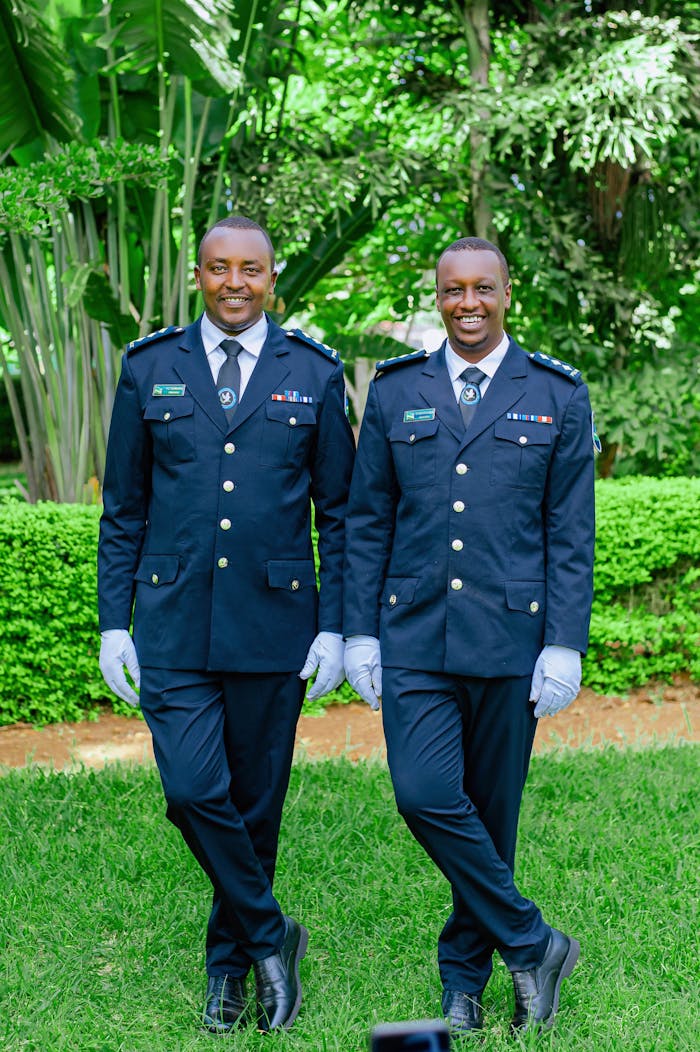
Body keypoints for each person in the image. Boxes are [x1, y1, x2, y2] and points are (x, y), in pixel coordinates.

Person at [97, 215, 355, 1034]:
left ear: (273, 278)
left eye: (251, 270)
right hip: (172, 623)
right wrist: (114, 623)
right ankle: (272, 933)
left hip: (276, 624)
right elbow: (123, 510)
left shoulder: (312, 372)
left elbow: (341, 514)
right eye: (219, 269)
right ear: (197, 275)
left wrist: (334, 627)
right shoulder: (150, 368)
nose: (235, 283)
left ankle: (231, 973)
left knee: (254, 805)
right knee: (192, 791)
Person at [343, 237, 595, 1035]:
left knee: (490, 817)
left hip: (510, 639)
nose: (468, 304)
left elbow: (569, 530)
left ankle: (464, 984)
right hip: (412, 634)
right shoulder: (395, 391)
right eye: (453, 290)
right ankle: (533, 942)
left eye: (483, 288)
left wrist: (565, 643)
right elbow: (366, 522)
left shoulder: (556, 393)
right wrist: (358, 635)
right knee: (424, 797)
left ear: (506, 293)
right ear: (438, 296)